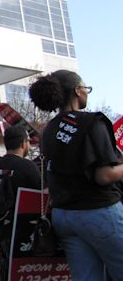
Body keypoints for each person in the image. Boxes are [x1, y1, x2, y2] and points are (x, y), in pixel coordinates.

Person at [29, 70, 123, 280]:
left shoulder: (48, 131)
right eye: (86, 88)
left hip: (64, 216)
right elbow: (104, 175)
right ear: (77, 91)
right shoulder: (93, 122)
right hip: (99, 211)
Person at [0, 125, 41, 280]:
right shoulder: (27, 166)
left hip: (0, 230)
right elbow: (41, 195)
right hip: (23, 232)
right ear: (24, 143)